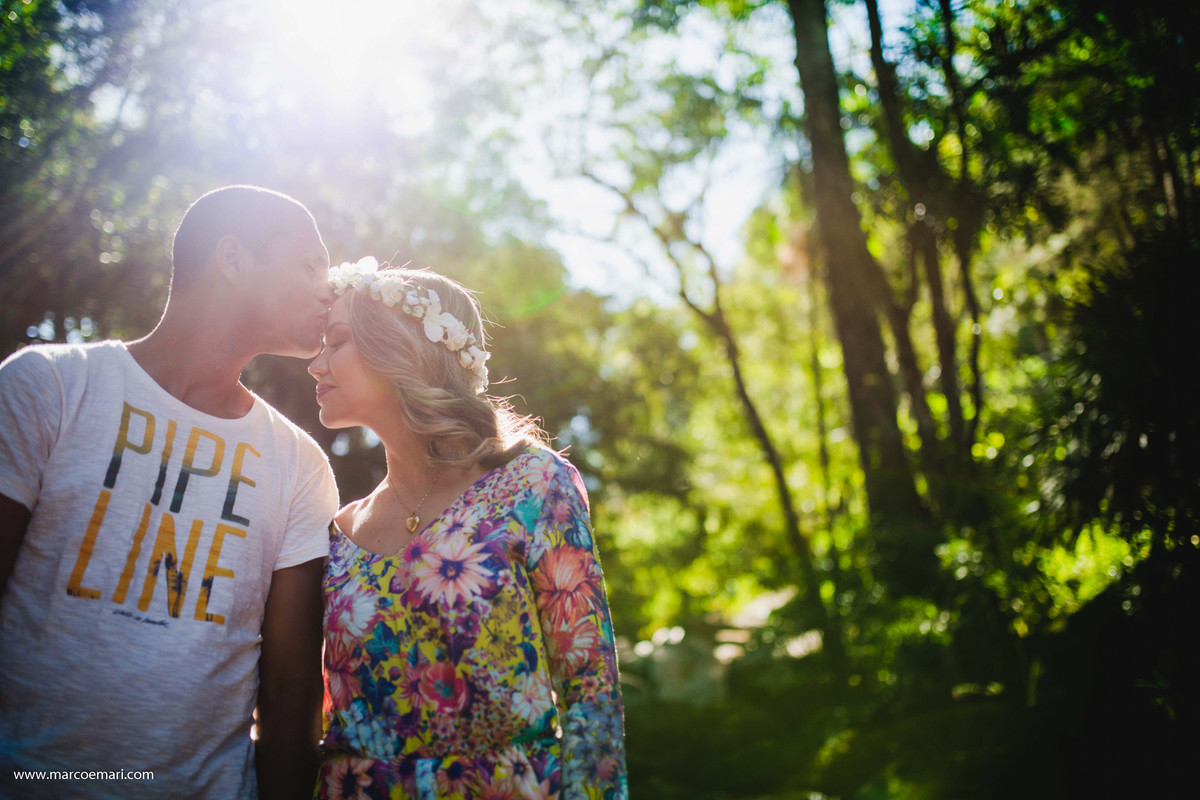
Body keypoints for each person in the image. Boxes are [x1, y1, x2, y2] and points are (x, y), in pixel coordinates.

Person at [0, 185, 339, 799]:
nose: (329, 288)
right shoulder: (48, 387)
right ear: (233, 259)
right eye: (311, 265)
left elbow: (290, 700)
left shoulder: (300, 464)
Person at [308, 258, 627, 800]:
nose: (315, 364)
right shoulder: (337, 529)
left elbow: (590, 692)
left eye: (336, 341)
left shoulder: (533, 485)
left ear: (399, 347)